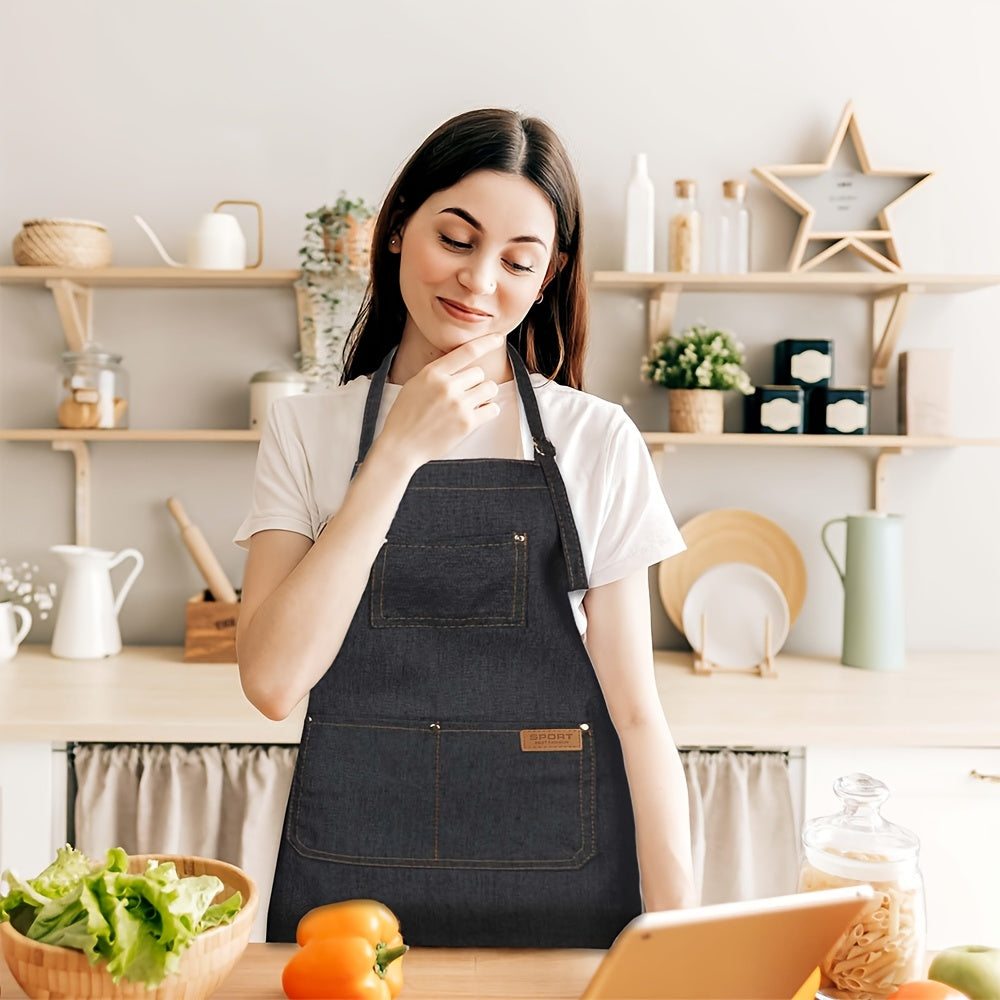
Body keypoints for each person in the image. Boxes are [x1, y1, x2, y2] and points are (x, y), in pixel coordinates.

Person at [234, 107, 697, 948]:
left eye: (518, 261)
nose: (480, 282)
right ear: (399, 228)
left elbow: (636, 712)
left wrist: (683, 949)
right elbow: (271, 683)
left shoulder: (598, 441)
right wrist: (396, 457)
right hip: (350, 894)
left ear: (548, 275)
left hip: (562, 883)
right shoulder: (305, 432)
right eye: (457, 239)